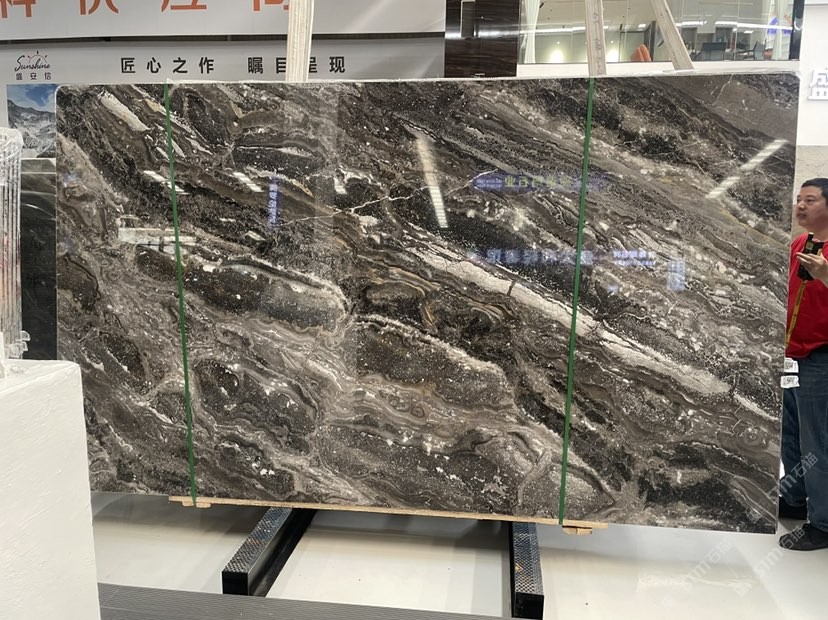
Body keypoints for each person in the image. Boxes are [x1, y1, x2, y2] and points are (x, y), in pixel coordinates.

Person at [779, 177, 828, 550]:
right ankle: (794, 499)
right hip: (791, 355)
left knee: (817, 442)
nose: (800, 205)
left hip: (820, 358)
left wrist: (825, 274)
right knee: (790, 434)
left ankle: (823, 523)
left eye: (810, 200)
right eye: (799, 199)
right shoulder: (799, 244)